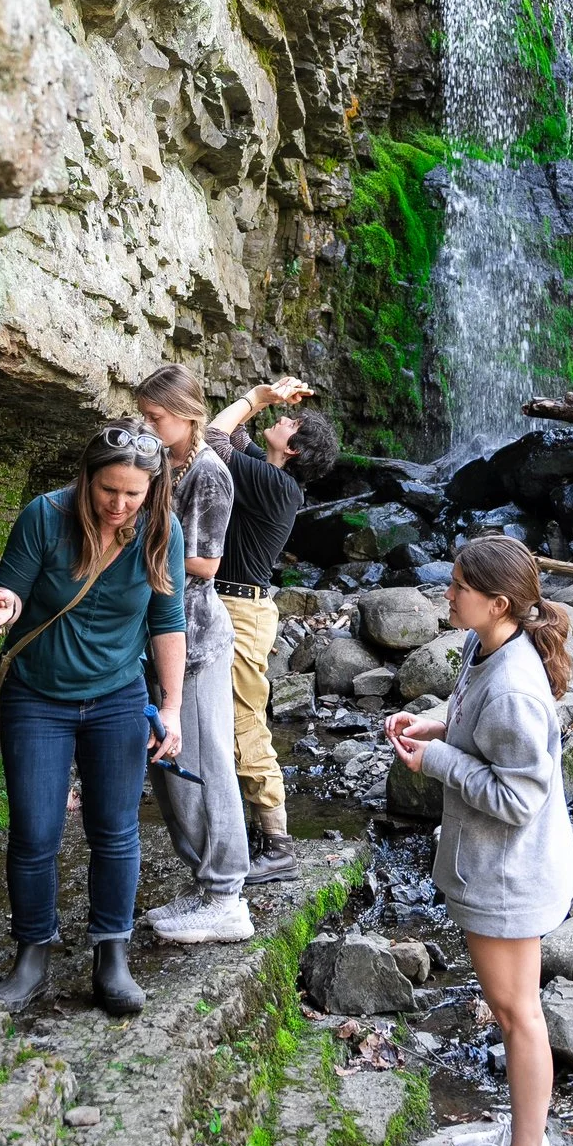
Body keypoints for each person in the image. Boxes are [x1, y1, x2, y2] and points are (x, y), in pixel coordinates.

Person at [384, 537, 573, 1146]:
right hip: (496, 867)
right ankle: (522, 1137)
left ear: (498, 602)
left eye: (460, 584)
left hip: (511, 874)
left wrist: (434, 762)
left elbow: (517, 798)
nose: (448, 589)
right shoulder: (484, 644)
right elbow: (469, 712)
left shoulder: (518, 687)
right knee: (511, 1008)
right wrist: (436, 725)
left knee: (518, 1011)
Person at [0, 424, 187, 1016]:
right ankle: (33, 952)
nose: (119, 506)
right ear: (86, 479)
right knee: (36, 830)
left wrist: (170, 708)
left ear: (152, 489)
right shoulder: (45, 517)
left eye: (133, 494)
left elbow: (167, 621)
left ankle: (111, 954)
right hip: (37, 695)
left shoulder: (159, 532)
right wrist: (2, 603)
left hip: (118, 696)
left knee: (116, 830)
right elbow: (10, 588)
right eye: (108, 491)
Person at [131, 365, 251, 945]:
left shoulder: (208, 473)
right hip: (159, 638)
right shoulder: (165, 464)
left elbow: (206, 564)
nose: (148, 427)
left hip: (198, 641)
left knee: (207, 768)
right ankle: (204, 885)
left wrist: (135, 557)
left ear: (186, 413)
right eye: (144, 418)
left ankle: (228, 894)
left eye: (155, 418)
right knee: (173, 773)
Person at [204, 376, 340, 882]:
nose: (281, 420)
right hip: (233, 605)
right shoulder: (268, 474)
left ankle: (278, 844)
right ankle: (249, 832)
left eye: (290, 423)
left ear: (296, 448)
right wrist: (266, 397)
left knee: (243, 722)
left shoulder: (278, 485)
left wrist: (258, 400)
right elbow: (232, 435)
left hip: (240, 613)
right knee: (222, 719)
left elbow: (211, 441)